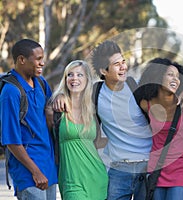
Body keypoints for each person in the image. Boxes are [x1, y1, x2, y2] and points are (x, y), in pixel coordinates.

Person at [53, 40, 153, 200]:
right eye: (116, 64)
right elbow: (76, 92)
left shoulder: (137, 88)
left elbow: (166, 97)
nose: (123, 67)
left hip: (146, 166)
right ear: (103, 71)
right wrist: (59, 95)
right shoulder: (95, 93)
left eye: (123, 62)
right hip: (119, 169)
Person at [0, 39, 57, 199]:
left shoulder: (40, 82)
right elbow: (10, 140)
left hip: (48, 168)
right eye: (38, 59)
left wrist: (51, 109)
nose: (42, 63)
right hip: (29, 173)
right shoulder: (10, 92)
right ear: (21, 60)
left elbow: (51, 107)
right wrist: (35, 171)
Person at [137, 58, 183, 200]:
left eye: (178, 77)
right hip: (156, 168)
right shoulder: (146, 104)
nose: (175, 79)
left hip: (181, 169)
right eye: (170, 75)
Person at [50, 60, 108, 199]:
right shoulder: (57, 107)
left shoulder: (92, 109)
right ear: (65, 79)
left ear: (87, 79)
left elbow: (97, 142)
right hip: (71, 181)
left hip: (97, 178)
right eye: (70, 74)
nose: (74, 78)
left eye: (79, 75)